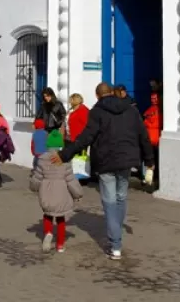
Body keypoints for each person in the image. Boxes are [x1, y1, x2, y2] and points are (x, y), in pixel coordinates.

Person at [52, 82, 154, 261]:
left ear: (97, 95)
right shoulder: (131, 110)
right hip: (126, 161)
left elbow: (86, 137)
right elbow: (143, 135)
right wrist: (149, 161)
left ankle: (115, 245)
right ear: (112, 93)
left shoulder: (97, 112)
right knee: (121, 196)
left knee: (109, 201)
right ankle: (117, 232)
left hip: (106, 162)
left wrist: (65, 154)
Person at [30, 129, 82, 254]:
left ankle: (48, 233)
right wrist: (78, 193)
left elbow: (37, 177)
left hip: (46, 192)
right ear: (61, 145)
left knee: (47, 215)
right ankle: (60, 245)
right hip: (61, 194)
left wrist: (33, 187)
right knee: (60, 219)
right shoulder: (64, 160)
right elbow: (70, 179)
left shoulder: (42, 159)